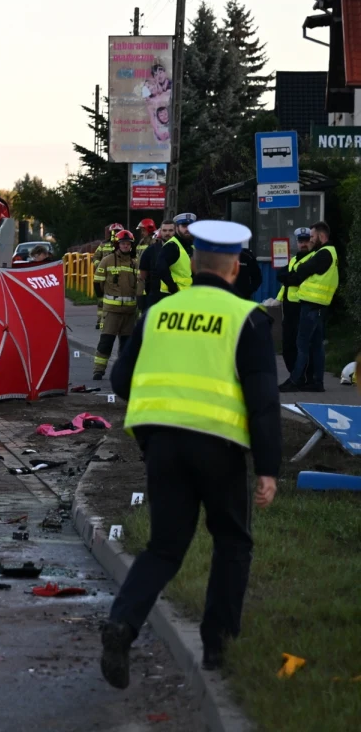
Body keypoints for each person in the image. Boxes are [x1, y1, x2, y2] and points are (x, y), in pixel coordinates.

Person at [101, 220, 280, 689]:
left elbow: (121, 381)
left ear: (195, 264)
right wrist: (268, 470)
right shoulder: (249, 319)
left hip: (161, 446)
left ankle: (122, 624)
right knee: (232, 543)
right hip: (219, 449)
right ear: (236, 266)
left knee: (164, 547)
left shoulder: (158, 313)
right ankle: (218, 647)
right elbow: (263, 404)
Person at [278, 221, 338, 392]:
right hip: (317, 305)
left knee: (302, 345)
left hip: (311, 304)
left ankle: (295, 381)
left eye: (312, 237)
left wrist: (292, 276)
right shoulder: (327, 252)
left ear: (321, 236)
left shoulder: (324, 253)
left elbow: (303, 269)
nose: (310, 241)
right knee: (317, 345)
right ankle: (317, 382)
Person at [92, 230, 138, 380]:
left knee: (126, 345)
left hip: (130, 311)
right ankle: (98, 370)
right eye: (123, 243)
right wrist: (102, 300)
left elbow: (140, 285)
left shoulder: (134, 263)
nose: (125, 246)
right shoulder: (107, 260)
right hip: (112, 310)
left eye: (128, 243)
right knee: (106, 341)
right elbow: (97, 282)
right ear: (118, 244)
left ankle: (124, 372)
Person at [277, 228, 314, 376]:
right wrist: (289, 278)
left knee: (302, 345)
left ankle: (301, 376)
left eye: (306, 241)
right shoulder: (294, 259)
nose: (303, 244)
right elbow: (281, 275)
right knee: (287, 345)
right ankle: (294, 374)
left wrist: (289, 278)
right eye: (300, 241)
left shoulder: (313, 259)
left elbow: (296, 278)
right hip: (289, 308)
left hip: (302, 306)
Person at [139, 219, 175, 313]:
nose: (167, 233)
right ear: (160, 231)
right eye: (164, 230)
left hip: (177, 295)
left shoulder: (183, 249)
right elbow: (143, 275)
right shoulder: (150, 251)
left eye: (171, 230)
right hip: (155, 296)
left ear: (175, 231)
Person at [158, 212, 196, 297]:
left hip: (189, 294)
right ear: (177, 228)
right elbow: (161, 268)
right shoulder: (172, 246)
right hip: (174, 295)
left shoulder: (192, 246)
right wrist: (172, 287)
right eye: (184, 226)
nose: (187, 229)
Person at [95, 224, 125, 329]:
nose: (116, 233)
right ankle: (100, 321)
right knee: (101, 300)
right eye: (115, 231)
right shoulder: (103, 245)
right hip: (105, 277)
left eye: (118, 231)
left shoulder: (124, 244)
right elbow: (95, 258)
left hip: (119, 277)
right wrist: (100, 267)